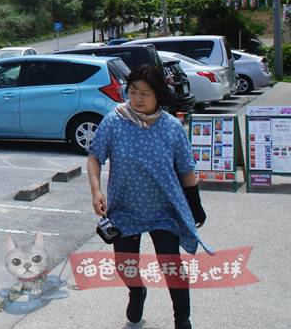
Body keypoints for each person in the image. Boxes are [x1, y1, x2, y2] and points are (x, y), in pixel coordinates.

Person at [87, 65, 208, 329]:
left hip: (164, 209)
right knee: (125, 266)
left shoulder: (172, 127)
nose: (138, 98)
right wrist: (96, 190)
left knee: (171, 265)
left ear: (158, 95)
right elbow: (95, 157)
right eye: (133, 92)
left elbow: (186, 170)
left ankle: (182, 319)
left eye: (145, 93)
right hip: (125, 208)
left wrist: (195, 205)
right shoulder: (114, 121)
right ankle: (137, 291)